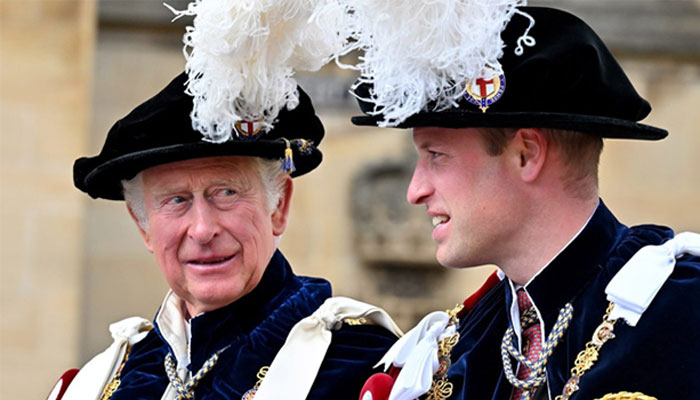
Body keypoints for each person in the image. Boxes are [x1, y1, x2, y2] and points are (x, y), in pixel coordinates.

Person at [348, 5, 700, 400]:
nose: (414, 191)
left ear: (526, 155)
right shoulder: (461, 347)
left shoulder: (680, 310)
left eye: (437, 156)